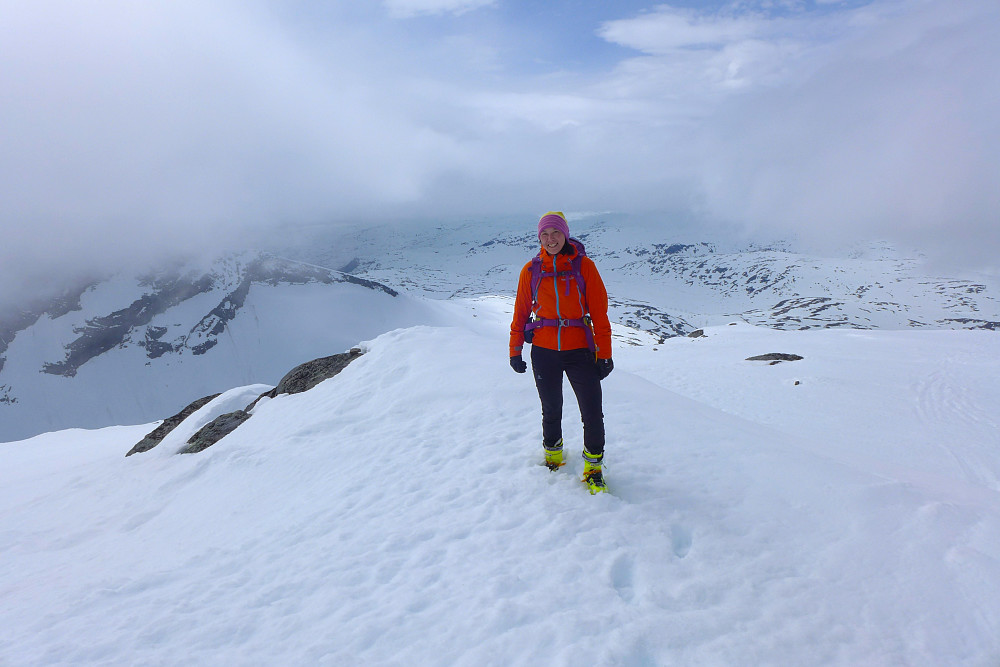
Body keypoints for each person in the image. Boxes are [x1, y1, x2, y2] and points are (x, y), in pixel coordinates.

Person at [509, 212, 614, 494]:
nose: (550, 239)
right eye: (544, 234)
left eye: (555, 233)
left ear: (565, 234)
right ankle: (553, 457)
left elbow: (600, 314)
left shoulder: (584, 267)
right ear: (539, 238)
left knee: (592, 412)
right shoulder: (530, 271)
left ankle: (593, 469)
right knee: (551, 408)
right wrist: (515, 350)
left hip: (580, 350)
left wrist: (605, 354)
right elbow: (520, 312)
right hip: (543, 351)